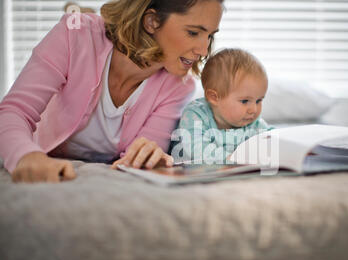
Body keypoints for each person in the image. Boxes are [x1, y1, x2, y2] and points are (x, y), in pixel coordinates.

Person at [0, 0, 223, 183]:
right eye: (194, 32)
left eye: (210, 36)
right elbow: (13, 111)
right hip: (42, 159)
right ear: (152, 21)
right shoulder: (75, 34)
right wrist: (26, 156)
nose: (204, 50)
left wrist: (148, 156)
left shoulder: (179, 86)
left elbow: (138, 156)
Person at [171, 48, 273, 164]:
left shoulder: (253, 123)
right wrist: (231, 158)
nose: (254, 109)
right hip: (190, 173)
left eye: (259, 100)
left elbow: (272, 137)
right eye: (245, 101)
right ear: (214, 97)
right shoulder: (195, 115)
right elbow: (197, 148)